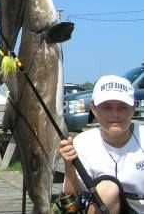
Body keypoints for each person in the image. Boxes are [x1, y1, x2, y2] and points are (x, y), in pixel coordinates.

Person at [60, 75, 144, 213]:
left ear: (134, 107)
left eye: (123, 107)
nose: (115, 114)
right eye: (106, 107)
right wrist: (68, 166)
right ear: (93, 109)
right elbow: (72, 201)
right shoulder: (82, 142)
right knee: (108, 190)